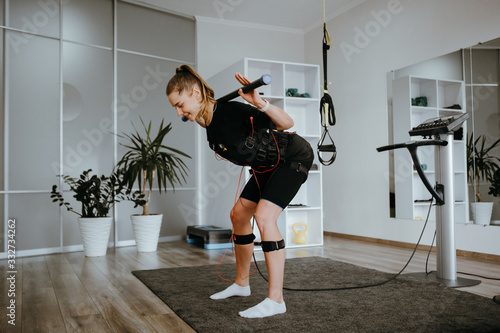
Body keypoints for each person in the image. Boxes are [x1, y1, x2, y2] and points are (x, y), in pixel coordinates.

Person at [166, 65, 314, 318]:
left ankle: (276, 300)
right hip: (265, 166)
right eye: (176, 108)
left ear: (196, 94)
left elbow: (288, 123)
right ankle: (242, 283)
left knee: (265, 216)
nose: (179, 112)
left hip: (292, 157)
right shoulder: (208, 123)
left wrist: (260, 103)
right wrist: (197, 113)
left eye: (180, 104)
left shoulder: (232, 110)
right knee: (239, 215)